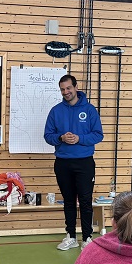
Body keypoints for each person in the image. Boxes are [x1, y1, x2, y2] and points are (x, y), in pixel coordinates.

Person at [43, 74, 104, 251]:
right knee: (69, 201)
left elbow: (98, 135)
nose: (66, 92)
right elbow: (48, 136)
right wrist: (61, 137)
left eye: (68, 88)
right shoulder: (56, 111)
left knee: (85, 201)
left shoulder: (90, 110)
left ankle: (87, 238)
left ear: (76, 87)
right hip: (63, 163)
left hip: (84, 162)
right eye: (62, 89)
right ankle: (70, 236)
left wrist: (79, 138)